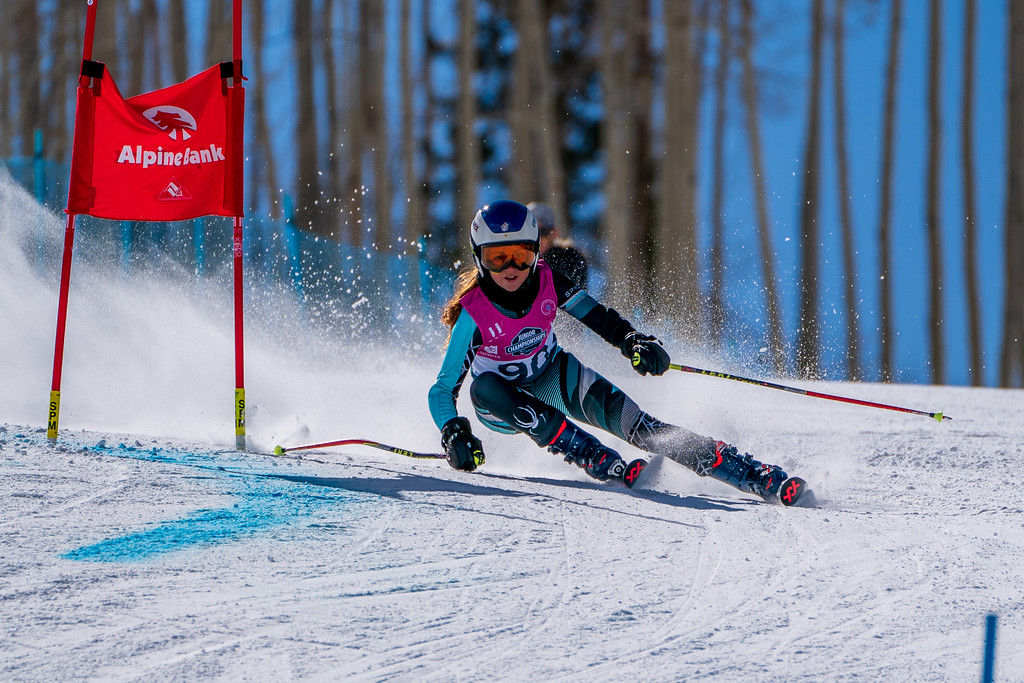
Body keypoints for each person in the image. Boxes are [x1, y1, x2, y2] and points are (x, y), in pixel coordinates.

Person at [428, 200, 797, 503]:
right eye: (497, 258)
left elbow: (598, 317)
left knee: (642, 426)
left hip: (553, 376)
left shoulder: (547, 280)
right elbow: (443, 390)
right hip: (502, 405)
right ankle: (589, 453)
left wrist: (633, 341)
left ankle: (748, 473)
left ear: (536, 252)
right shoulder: (472, 314)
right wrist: (453, 432)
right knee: (484, 386)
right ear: (479, 259)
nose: (511, 268)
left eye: (521, 256)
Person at [526, 201, 589, 289]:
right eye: (532, 233)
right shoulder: (517, 259)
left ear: (554, 233)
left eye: (543, 232)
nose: (538, 239)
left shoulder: (569, 258)